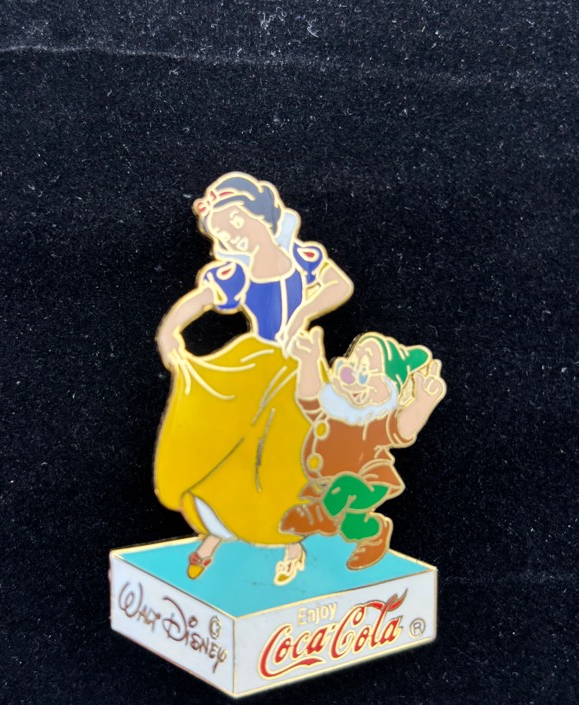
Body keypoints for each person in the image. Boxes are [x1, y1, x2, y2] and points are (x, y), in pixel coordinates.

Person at [154, 173, 353, 584]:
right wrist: (169, 330)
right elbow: (199, 300)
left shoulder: (303, 256)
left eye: (234, 223)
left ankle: (291, 539)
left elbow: (339, 285)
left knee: (296, 451)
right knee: (234, 446)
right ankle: (216, 532)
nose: (231, 236)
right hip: (255, 365)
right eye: (222, 232)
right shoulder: (237, 273)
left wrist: (303, 313)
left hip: (298, 366)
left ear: (259, 214)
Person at [281, 327, 446, 569]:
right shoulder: (333, 410)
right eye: (355, 365)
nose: (357, 377)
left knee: (345, 485)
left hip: (368, 482)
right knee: (351, 526)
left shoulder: (374, 423)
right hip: (324, 485)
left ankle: (320, 516)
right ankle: (375, 533)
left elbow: (402, 430)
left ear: (390, 389)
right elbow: (309, 398)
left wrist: (423, 402)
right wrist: (309, 361)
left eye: (369, 371)